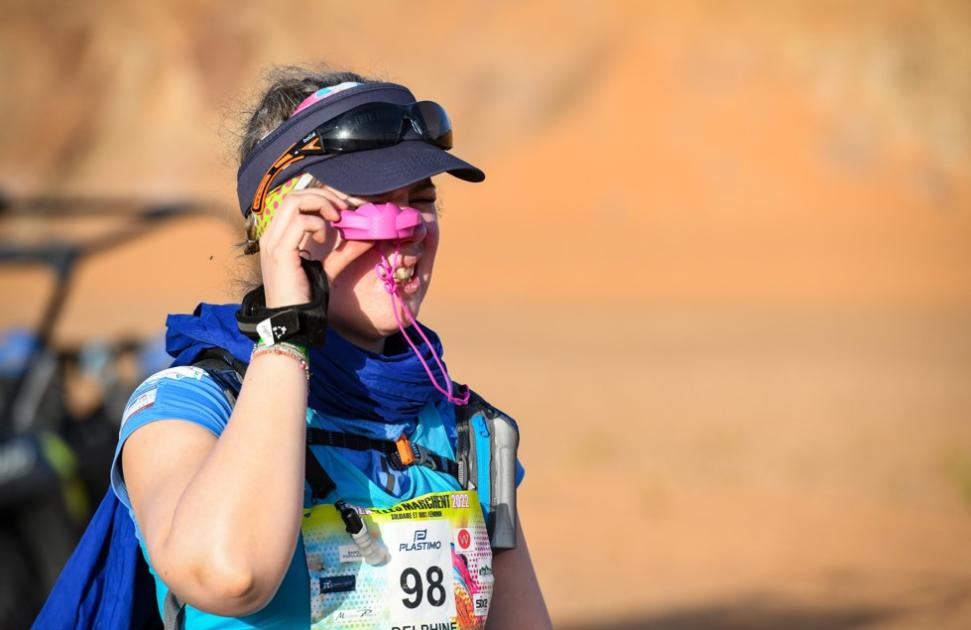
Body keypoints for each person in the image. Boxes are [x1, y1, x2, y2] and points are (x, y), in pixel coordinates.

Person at [110, 67, 552, 629]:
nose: (408, 228)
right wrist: (287, 330)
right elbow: (230, 575)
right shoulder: (187, 407)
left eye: (421, 201)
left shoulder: (472, 430)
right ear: (284, 225)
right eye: (368, 204)